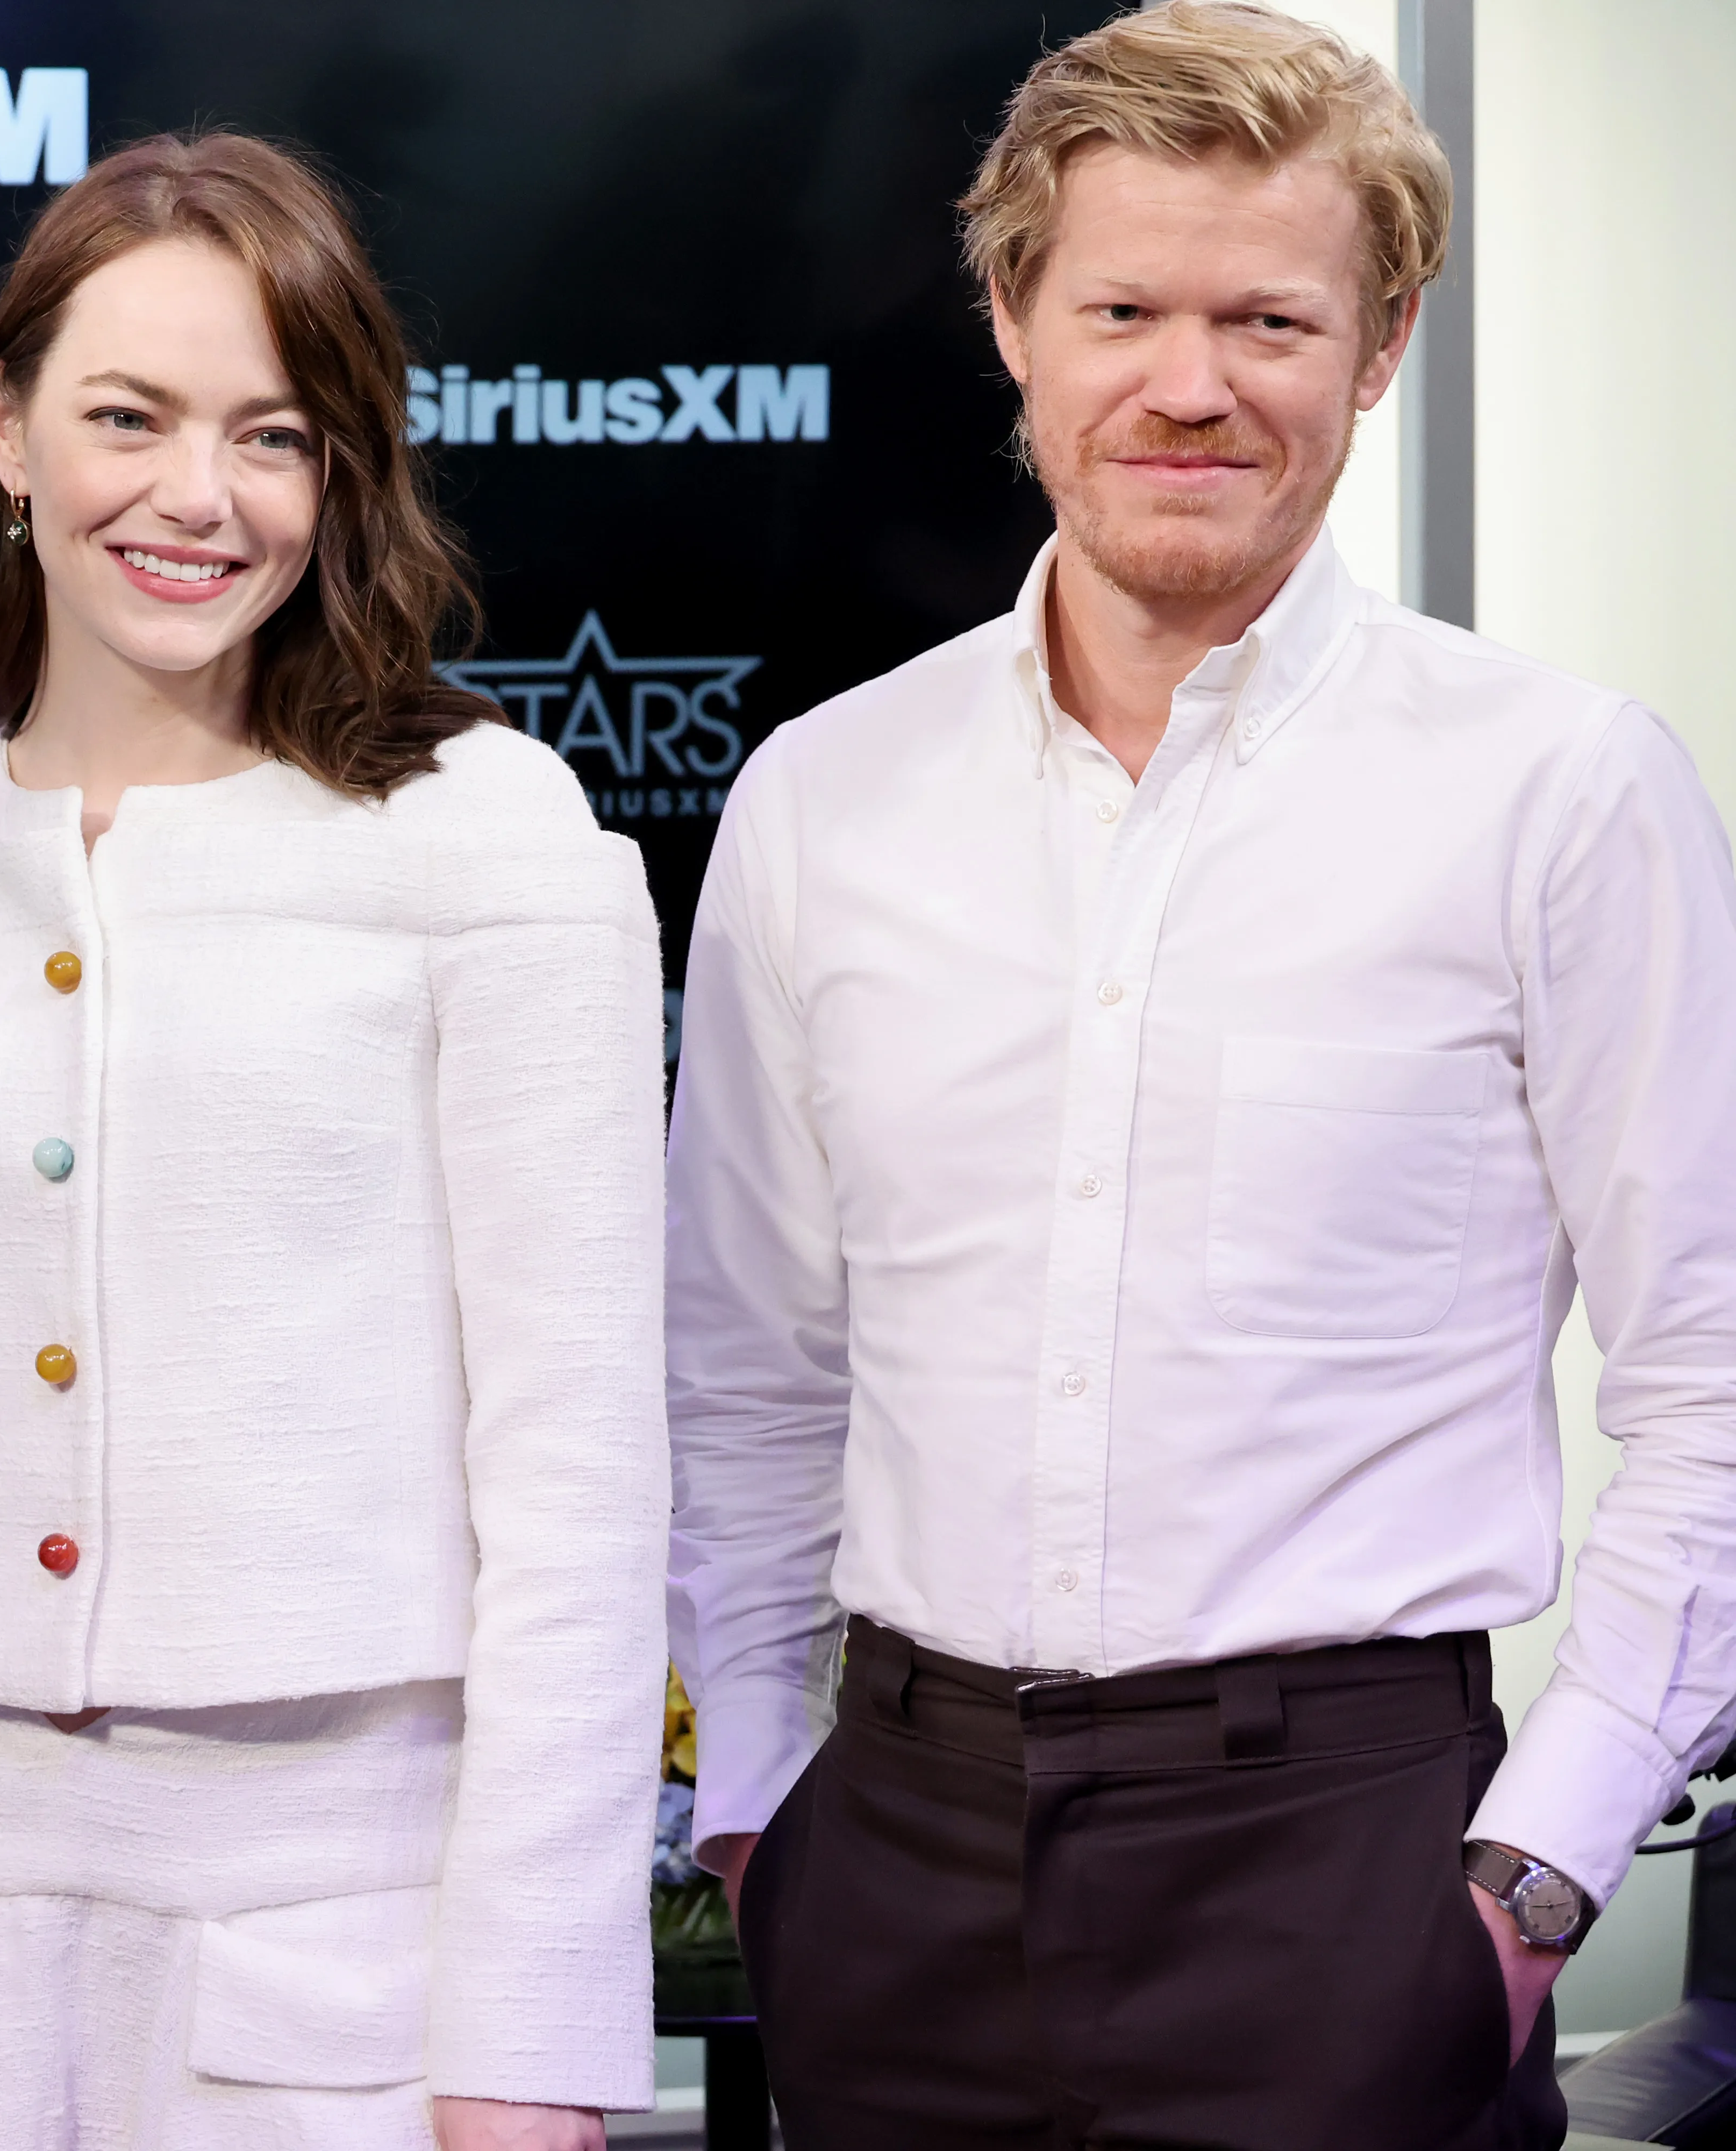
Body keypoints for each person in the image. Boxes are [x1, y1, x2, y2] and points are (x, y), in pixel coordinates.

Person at [663, 4, 1736, 2146]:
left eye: (1268, 316)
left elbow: (1714, 1371)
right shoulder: (823, 797)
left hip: (1349, 1875)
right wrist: (764, 1818)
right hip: (891, 1871)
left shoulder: (1560, 790)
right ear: (1012, 320)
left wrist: (1536, 1872)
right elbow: (749, 1369)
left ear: (1382, 340)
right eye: (1125, 306)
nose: (1190, 381)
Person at [0, 132, 671, 2151]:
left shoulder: (494, 843)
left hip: (337, 1971)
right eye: (129, 417)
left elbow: (576, 1493)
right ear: (7, 426)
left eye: (271, 435)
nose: (198, 498)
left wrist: (536, 2038)